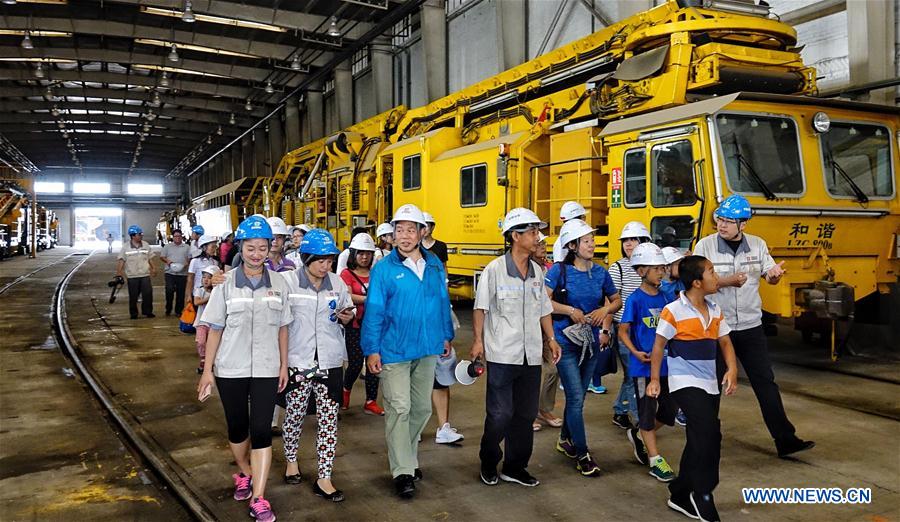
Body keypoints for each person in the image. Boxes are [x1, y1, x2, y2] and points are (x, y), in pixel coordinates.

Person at [693, 194, 814, 458]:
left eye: (728, 221)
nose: (722, 225)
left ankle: (786, 440)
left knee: (766, 383)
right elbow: (697, 283)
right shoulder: (705, 246)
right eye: (720, 219)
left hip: (750, 326)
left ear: (743, 224)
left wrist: (774, 276)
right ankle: (706, 441)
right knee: (711, 386)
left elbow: (769, 275)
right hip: (717, 328)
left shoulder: (757, 245)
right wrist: (727, 281)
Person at [196, 215, 292, 522]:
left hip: (266, 367)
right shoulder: (225, 283)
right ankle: (245, 473)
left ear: (270, 247)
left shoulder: (279, 283)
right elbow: (215, 329)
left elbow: (283, 328)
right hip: (231, 368)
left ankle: (259, 497)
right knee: (237, 428)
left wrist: (284, 365)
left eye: (262, 247)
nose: (256, 254)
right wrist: (208, 371)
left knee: (262, 430)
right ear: (241, 247)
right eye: (250, 248)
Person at [361, 203, 454, 499]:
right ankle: (402, 470)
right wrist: (371, 350)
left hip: (426, 348)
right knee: (399, 408)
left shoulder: (434, 264)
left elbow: (442, 301)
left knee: (422, 408)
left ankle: (408, 456)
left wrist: (446, 334)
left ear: (422, 232)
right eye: (399, 230)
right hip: (394, 349)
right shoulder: (384, 269)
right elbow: (374, 311)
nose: (404, 236)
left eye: (410, 230)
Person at [472, 208, 561, 487]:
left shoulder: (537, 272)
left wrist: (551, 338)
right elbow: (481, 308)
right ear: (515, 236)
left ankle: (515, 467)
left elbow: (543, 309)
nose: (537, 238)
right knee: (500, 414)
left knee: (524, 415)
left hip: (530, 355)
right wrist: (478, 341)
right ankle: (489, 461)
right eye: (532, 232)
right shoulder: (494, 270)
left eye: (537, 232)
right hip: (502, 353)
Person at [648, 255, 738, 522]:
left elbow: (725, 342)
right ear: (697, 282)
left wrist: (732, 369)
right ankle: (702, 493)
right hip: (684, 381)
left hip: (710, 382)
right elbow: (658, 346)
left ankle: (679, 493)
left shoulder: (715, 309)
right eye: (711, 272)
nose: (716, 276)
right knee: (709, 433)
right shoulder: (673, 310)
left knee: (701, 436)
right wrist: (655, 380)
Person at [280, 228, 353, 502]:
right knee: (295, 414)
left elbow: (347, 309)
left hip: (330, 361)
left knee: (329, 420)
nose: (326, 266)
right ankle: (291, 460)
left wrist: (347, 316)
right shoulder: (288, 282)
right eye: (320, 260)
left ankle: (324, 477)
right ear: (306, 258)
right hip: (298, 360)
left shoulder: (337, 283)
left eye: (330, 260)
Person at [545, 218, 622, 476]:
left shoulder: (601, 272)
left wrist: (604, 311)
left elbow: (616, 300)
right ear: (572, 246)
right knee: (576, 397)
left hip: (590, 344)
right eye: (586, 241)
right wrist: (569, 310)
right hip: (564, 343)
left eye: (592, 240)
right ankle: (582, 453)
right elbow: (543, 302)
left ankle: (564, 439)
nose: (592, 244)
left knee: (578, 398)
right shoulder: (558, 272)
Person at [619, 243, 677, 482]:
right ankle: (655, 459)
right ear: (641, 270)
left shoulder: (666, 297)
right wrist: (635, 352)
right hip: (643, 368)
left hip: (667, 366)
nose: (661, 272)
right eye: (656, 269)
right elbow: (623, 330)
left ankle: (639, 433)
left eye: (662, 268)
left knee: (669, 411)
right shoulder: (635, 300)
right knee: (647, 411)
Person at [421, 211, 462, 444]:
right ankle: (413, 428)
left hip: (435, 325)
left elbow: (442, 295)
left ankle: (443, 427)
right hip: (410, 333)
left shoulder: (435, 261)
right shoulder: (392, 265)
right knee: (414, 381)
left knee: (441, 377)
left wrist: (446, 334)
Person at [609, 221, 651, 430]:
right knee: (637, 374)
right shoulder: (617, 268)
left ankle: (620, 410)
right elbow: (610, 302)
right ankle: (639, 421)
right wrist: (605, 330)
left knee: (631, 374)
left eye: (633, 239)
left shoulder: (650, 267)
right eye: (625, 240)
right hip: (624, 329)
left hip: (645, 329)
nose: (628, 244)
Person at [340, 233, 384, 416]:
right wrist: (371, 299)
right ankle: (345, 391)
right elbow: (347, 296)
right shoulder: (346, 274)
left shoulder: (376, 273)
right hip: (355, 325)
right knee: (356, 363)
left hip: (375, 326)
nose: (364, 257)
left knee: (374, 363)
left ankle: (371, 401)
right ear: (353, 254)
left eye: (368, 253)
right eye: (360, 253)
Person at [532, 232, 561, 431]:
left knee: (553, 369)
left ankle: (544, 408)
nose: (543, 246)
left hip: (547, 325)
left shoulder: (549, 268)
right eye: (539, 243)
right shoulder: (525, 269)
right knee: (531, 372)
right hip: (529, 328)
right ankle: (528, 412)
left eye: (545, 243)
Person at [116, 225, 156, 320]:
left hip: (145, 274)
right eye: (139, 234)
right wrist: (119, 272)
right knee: (133, 296)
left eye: (141, 234)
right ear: (133, 236)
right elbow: (121, 260)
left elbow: (150, 258)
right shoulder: (126, 247)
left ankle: (148, 311)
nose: (141, 236)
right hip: (132, 276)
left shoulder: (146, 245)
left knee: (147, 294)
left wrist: (154, 268)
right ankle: (134, 313)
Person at [193, 264, 220, 374]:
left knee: (214, 343)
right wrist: (210, 297)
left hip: (214, 323)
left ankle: (212, 362)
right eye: (204, 277)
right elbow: (197, 302)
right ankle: (203, 359)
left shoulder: (219, 291)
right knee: (201, 342)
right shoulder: (199, 290)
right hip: (202, 322)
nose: (206, 280)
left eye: (209, 277)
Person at [160, 229, 191, 316]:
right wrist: (168, 261)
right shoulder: (167, 247)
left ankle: (178, 311)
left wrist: (186, 263)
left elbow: (190, 258)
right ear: (173, 237)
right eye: (176, 236)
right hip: (170, 273)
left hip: (182, 273)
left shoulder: (186, 247)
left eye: (179, 236)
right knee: (169, 290)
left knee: (180, 292)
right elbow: (162, 257)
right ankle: (168, 308)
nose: (177, 238)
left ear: (182, 237)